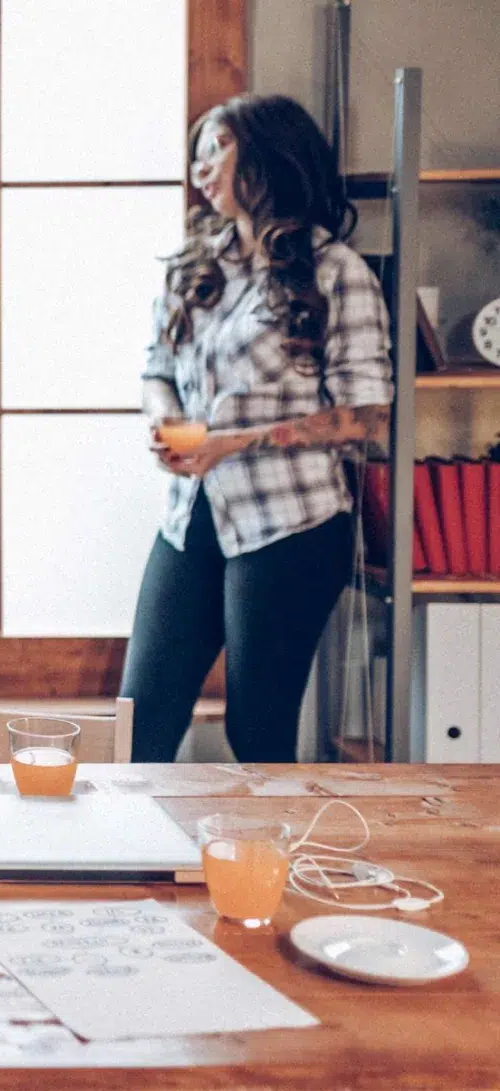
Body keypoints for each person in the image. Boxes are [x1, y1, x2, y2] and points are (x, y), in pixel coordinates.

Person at [123, 94, 392, 763]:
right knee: (139, 723)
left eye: (217, 148)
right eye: (197, 152)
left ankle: (268, 868)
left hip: (291, 528)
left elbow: (366, 414)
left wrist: (234, 444)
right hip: (192, 518)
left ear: (266, 157)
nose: (200, 167)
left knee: (259, 734)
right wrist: (164, 419)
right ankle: (128, 864)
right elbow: (156, 366)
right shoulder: (199, 265)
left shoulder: (335, 272)